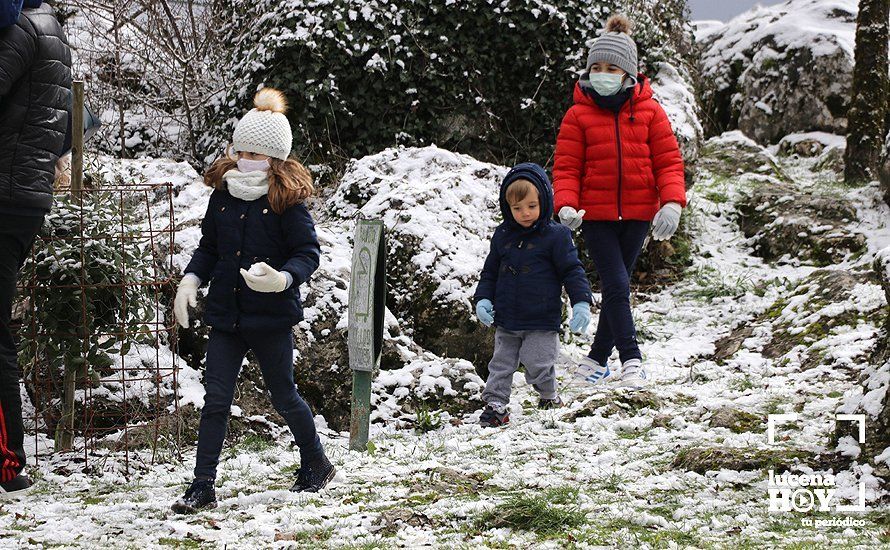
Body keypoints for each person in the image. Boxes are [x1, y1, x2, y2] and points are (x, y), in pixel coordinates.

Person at [171, 88, 335, 513]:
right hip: (226, 316)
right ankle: (202, 484)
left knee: (284, 394)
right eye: (241, 150)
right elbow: (209, 247)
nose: (246, 159)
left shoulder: (286, 201)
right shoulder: (223, 194)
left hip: (271, 317)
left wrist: (283, 279)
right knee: (216, 398)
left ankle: (315, 460)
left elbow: (308, 253)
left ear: (275, 159)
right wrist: (190, 280)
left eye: (256, 154)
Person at [553, 14, 686, 389]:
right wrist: (565, 203)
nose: (602, 74)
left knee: (617, 285)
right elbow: (566, 166)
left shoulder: (650, 112)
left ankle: (597, 359)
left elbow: (669, 162)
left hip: (640, 213)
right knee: (615, 284)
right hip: (594, 215)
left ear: (628, 74)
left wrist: (672, 203)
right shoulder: (577, 115)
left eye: (611, 68)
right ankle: (631, 358)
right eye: (596, 67)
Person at [0, 0, 71, 497]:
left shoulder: (22, 27)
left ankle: (7, 461)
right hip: (22, 197)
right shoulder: (49, 29)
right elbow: (65, 129)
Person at [473, 163, 592, 427]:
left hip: (541, 318)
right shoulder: (503, 235)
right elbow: (490, 272)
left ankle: (548, 394)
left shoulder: (556, 236)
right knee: (500, 364)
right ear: (508, 208)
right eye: (517, 208)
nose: (525, 213)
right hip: (506, 317)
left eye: (531, 206)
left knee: (537, 362)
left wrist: (581, 301)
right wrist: (483, 299)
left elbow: (572, 270)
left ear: (544, 201)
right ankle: (496, 406)